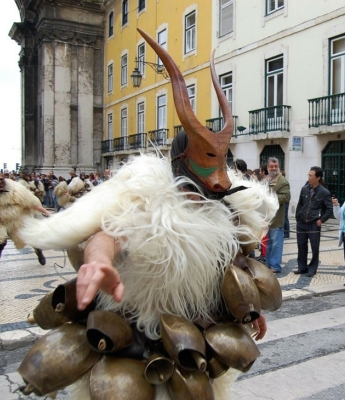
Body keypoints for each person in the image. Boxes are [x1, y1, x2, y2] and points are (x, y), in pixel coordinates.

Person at [15, 31, 281, 399]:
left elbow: (232, 264)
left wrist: (248, 312)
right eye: (206, 162)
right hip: (132, 337)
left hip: (196, 340)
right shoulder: (149, 197)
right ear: (181, 163)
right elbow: (110, 232)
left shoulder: (226, 209)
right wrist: (96, 261)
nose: (217, 179)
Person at [0, 172, 50, 265]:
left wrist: (46, 212)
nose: (0, 182)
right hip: (1, 222)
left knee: (30, 236)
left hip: (18, 219)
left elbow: (32, 203)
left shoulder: (16, 189)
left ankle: (38, 250)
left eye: (1, 180)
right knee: (1, 243)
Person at [294, 166, 333, 277]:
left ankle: (312, 268)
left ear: (318, 177)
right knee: (301, 245)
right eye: (308, 175)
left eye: (311, 175)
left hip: (314, 223)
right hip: (302, 222)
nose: (309, 177)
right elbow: (300, 204)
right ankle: (302, 267)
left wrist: (321, 220)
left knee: (314, 247)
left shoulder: (324, 192)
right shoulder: (304, 189)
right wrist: (298, 217)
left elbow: (329, 209)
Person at [265, 157, 291, 273]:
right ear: (268, 167)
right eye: (271, 166)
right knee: (269, 242)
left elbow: (286, 197)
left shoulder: (282, 181)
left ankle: (275, 265)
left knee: (276, 243)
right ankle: (268, 263)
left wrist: (270, 198)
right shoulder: (266, 180)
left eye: (275, 166)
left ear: (279, 167)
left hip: (276, 218)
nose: (273, 168)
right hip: (267, 218)